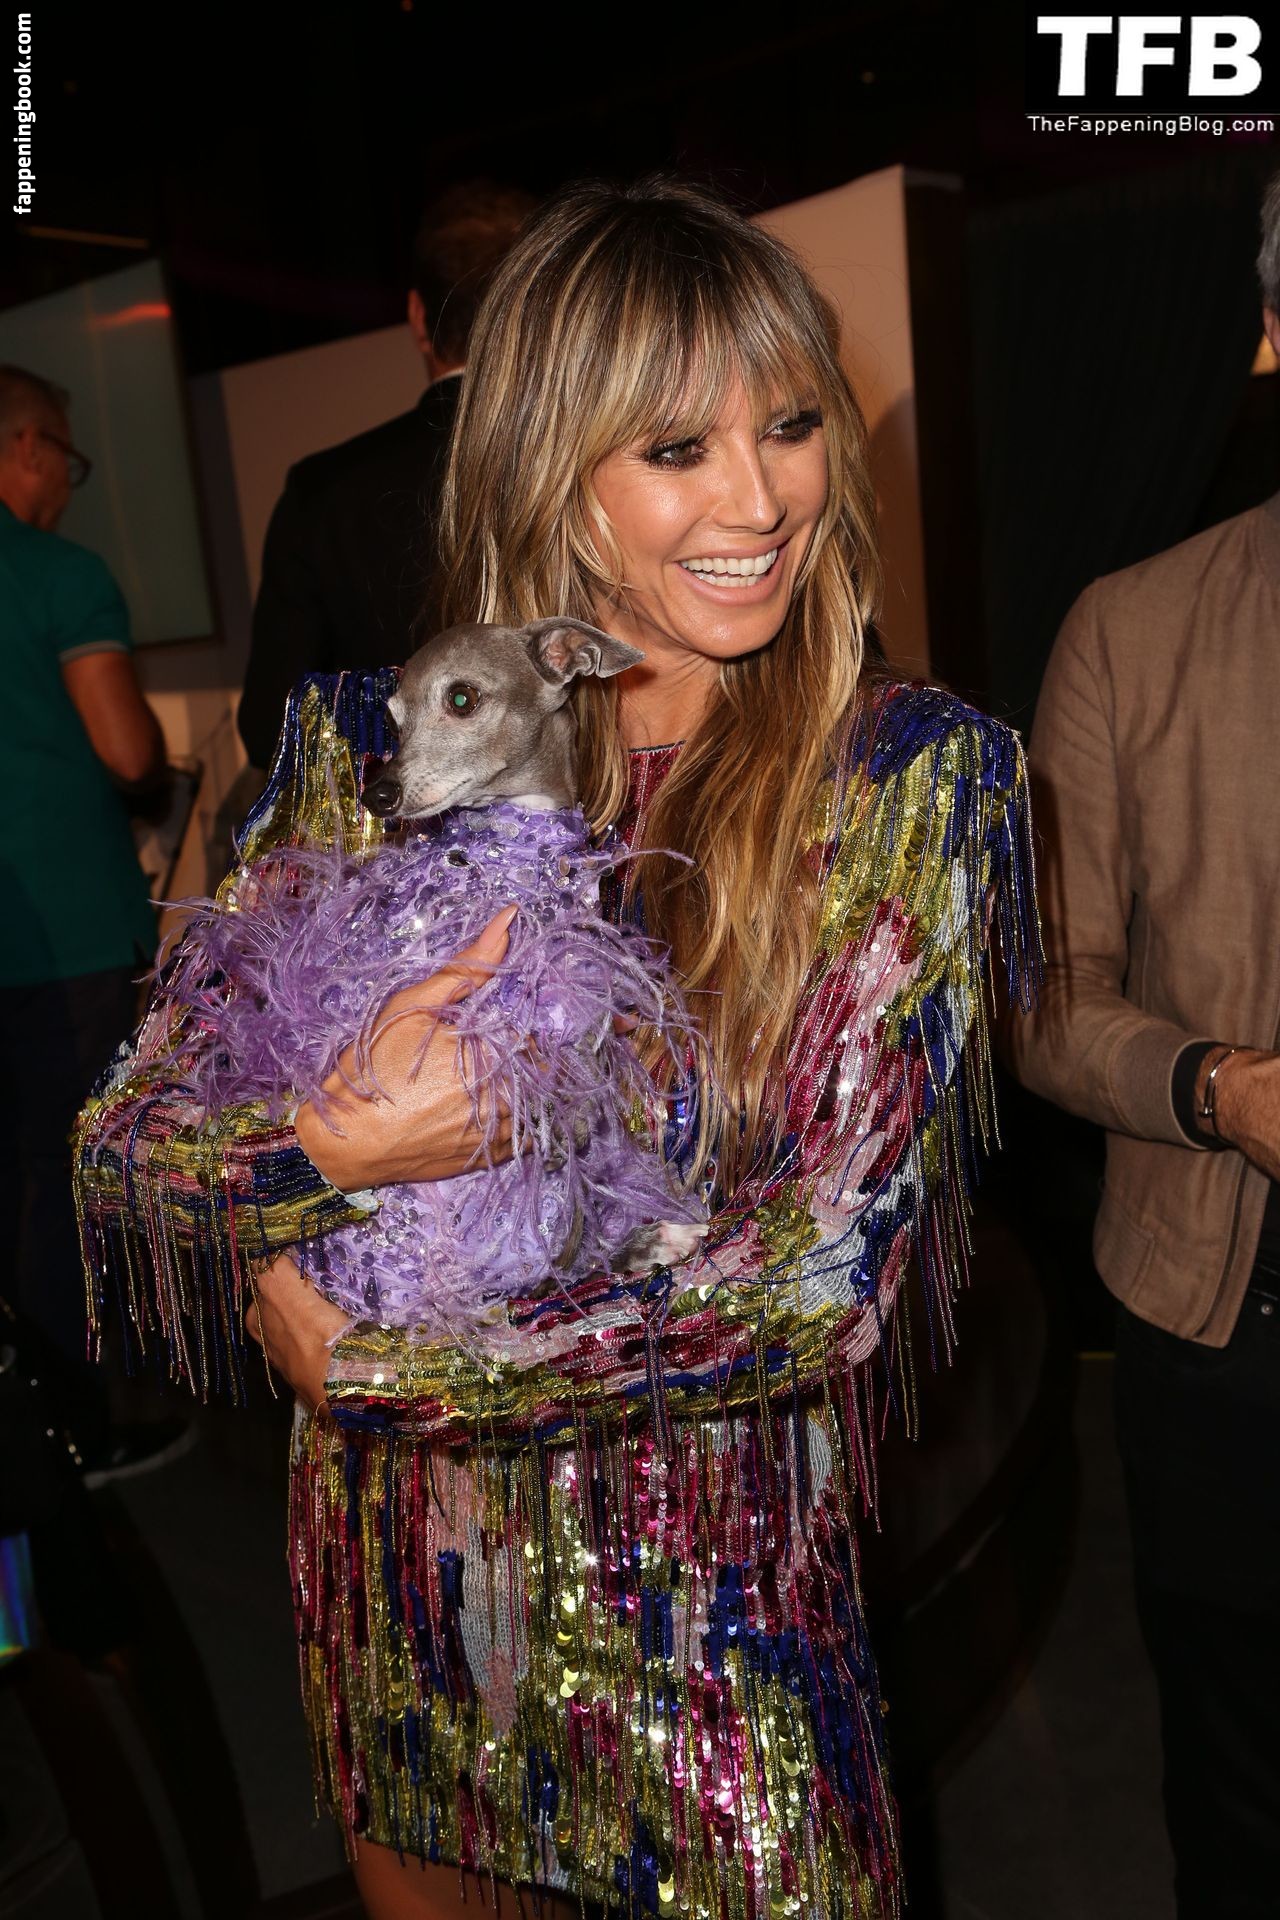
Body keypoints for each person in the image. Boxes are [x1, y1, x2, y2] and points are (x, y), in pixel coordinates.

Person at [75, 180, 1038, 1919]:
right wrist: (336, 1148)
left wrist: (388, 1378)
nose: (762, 498)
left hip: (711, 1624)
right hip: (412, 1595)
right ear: (548, 466)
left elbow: (820, 1280)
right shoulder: (365, 753)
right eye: (677, 447)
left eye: (792, 424)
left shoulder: (910, 776)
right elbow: (128, 1146)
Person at [1003, 176, 1280, 1920]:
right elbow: (1041, 990)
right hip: (1225, 1329)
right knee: (1245, 1789)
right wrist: (1219, 1088)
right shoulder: (1134, 625)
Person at [0, 364, 167, 1471]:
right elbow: (127, 749)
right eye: (66, 453)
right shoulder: (61, 574)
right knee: (70, 1187)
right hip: (66, 935)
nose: (67, 477)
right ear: (27, 447)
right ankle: (73, 1440)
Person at [237, 180, 536, 769]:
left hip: (393, 817)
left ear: (418, 316)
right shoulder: (598, 467)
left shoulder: (323, 492)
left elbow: (270, 728)